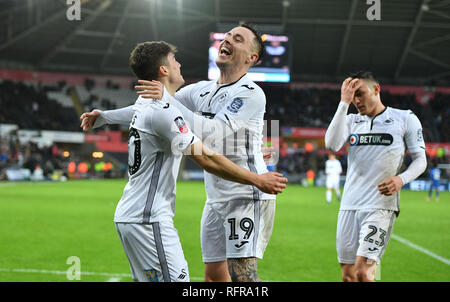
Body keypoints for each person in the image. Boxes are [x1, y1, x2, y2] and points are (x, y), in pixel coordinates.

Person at [81, 23, 277, 282]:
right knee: (213, 277)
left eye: (237, 39)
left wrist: (167, 98)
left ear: (252, 57)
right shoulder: (201, 90)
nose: (227, 40)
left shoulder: (250, 93)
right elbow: (152, 108)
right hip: (215, 196)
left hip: (245, 192)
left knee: (244, 280)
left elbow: (211, 130)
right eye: (227, 35)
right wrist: (104, 117)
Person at [325, 71, 427, 282]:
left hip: (380, 206)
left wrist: (401, 180)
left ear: (376, 89)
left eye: (360, 93)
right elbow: (331, 144)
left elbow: (421, 160)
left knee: (364, 272)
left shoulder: (404, 118)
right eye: (353, 96)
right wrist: (343, 103)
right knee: (348, 276)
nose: (357, 100)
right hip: (349, 205)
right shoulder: (352, 120)